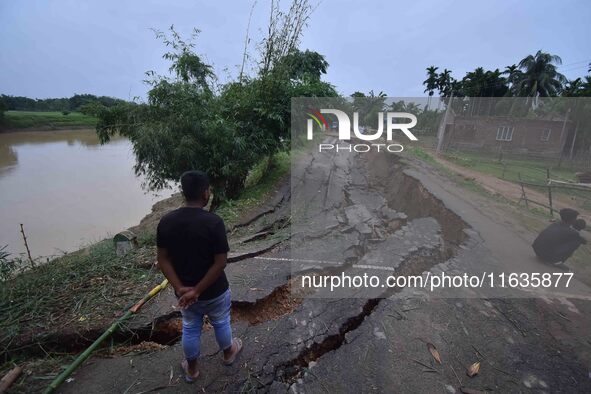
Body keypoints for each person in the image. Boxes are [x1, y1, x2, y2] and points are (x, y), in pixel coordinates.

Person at [157, 170, 242, 382]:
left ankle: (192, 370)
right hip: (214, 290)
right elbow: (220, 262)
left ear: (184, 193)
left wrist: (181, 289)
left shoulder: (166, 222)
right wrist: (199, 290)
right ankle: (229, 353)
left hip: (184, 293)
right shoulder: (214, 222)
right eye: (209, 190)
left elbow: (163, 260)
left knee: (190, 327)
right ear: (205, 193)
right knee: (221, 321)